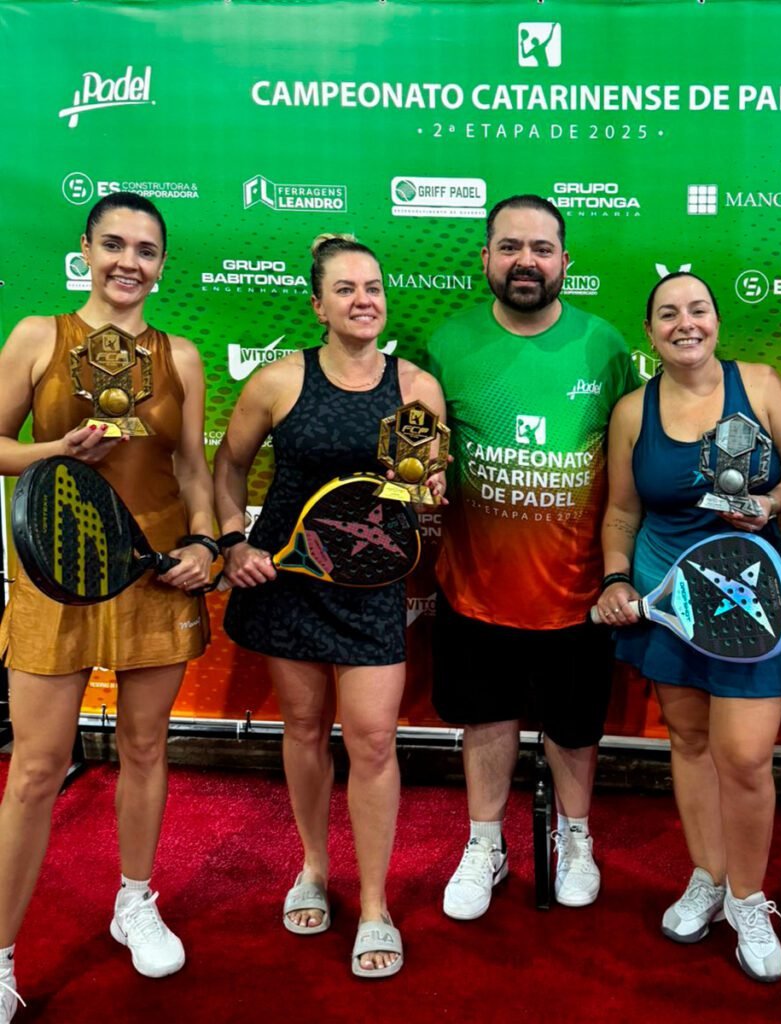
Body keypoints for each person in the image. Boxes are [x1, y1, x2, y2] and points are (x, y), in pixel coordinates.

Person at [0, 192, 215, 1021]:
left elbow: (191, 467)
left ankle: (134, 900)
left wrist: (205, 543)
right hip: (55, 574)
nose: (130, 261)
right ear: (86, 249)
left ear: (162, 265)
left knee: (145, 746)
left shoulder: (181, 355)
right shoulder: (37, 336)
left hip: (152, 575)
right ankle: (2, 953)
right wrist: (54, 450)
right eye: (115, 244)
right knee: (34, 769)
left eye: (147, 250)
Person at [213, 234, 444, 979]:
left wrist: (430, 489)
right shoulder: (279, 381)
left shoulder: (417, 387)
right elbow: (229, 465)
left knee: (373, 741)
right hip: (289, 580)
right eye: (344, 289)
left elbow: (424, 487)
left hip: (370, 587)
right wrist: (232, 541)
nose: (362, 300)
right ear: (318, 305)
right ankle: (313, 868)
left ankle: (375, 904)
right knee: (306, 729)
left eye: (372, 287)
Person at [596, 271, 781, 983]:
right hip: (668, 597)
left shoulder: (762, 384)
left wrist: (771, 502)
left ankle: (748, 900)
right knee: (689, 743)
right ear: (650, 331)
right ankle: (708, 877)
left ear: (717, 321)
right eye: (668, 313)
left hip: (752, 598)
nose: (684, 323)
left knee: (744, 759)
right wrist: (616, 577)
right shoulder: (633, 410)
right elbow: (622, 511)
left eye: (697, 310)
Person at [427, 194, 637, 919]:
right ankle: (485, 844)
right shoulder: (446, 342)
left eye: (542, 248)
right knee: (485, 719)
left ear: (564, 262)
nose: (526, 261)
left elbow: (632, 453)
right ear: (486, 257)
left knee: (575, 729)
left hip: (579, 588)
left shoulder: (605, 345)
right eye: (511, 246)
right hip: (476, 586)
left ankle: (576, 838)